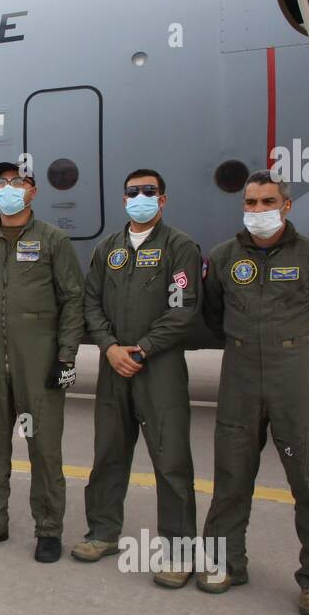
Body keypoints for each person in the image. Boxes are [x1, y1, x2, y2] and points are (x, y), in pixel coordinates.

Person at [199, 170, 309, 615]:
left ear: (286, 206)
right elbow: (212, 314)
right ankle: (225, 564)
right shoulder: (223, 257)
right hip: (240, 376)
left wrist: (299, 346)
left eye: (267, 202)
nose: (257, 211)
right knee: (231, 478)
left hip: (296, 380)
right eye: (250, 203)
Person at [74, 169, 201, 586]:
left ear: (162, 200)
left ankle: (179, 553)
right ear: (123, 198)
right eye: (133, 192)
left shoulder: (179, 247)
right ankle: (103, 533)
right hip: (114, 366)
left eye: (149, 192)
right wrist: (109, 347)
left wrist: (142, 348)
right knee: (108, 454)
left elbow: (183, 310)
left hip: (157, 367)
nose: (140, 197)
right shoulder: (107, 247)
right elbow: (90, 302)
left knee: (171, 460)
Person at [0, 160, 83, 563]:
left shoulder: (53, 240)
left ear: (33, 192)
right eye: (2, 182)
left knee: (44, 449)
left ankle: (48, 530)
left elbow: (72, 299)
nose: (8, 187)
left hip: (38, 365)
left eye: (17, 182)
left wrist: (66, 357)